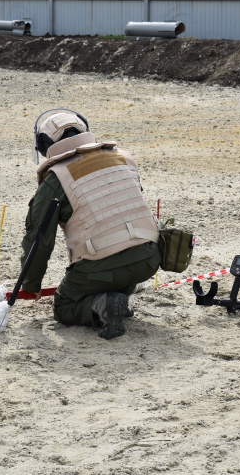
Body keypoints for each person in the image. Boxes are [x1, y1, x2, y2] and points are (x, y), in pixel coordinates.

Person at [20, 109, 161, 339]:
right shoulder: (123, 157)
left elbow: (39, 240)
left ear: (45, 145)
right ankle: (117, 299)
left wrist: (31, 284)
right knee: (114, 277)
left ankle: (103, 306)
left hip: (100, 266)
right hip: (148, 259)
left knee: (64, 306)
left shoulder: (56, 177)